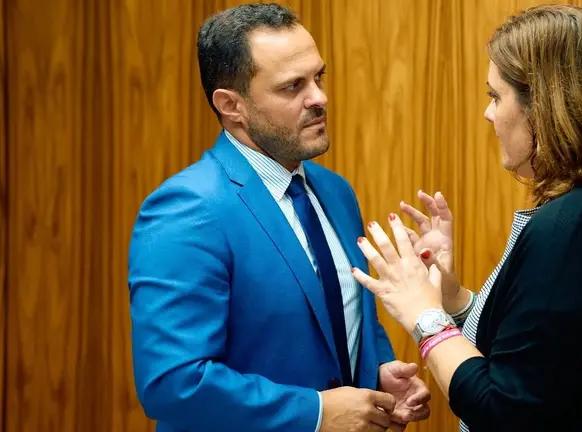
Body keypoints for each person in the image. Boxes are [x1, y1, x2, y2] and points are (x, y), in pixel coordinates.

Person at [351, 5, 582, 432]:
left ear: (544, 108)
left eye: (495, 96)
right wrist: (450, 298)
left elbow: (505, 410)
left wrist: (423, 316)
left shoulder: (576, 229)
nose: (489, 115)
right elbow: (546, 355)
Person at [127, 3, 430, 432]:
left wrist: (376, 378)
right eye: (293, 87)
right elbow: (173, 383)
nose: (319, 98)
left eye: (318, 77)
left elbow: (339, 325)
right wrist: (318, 413)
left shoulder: (335, 192)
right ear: (232, 105)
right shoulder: (186, 210)